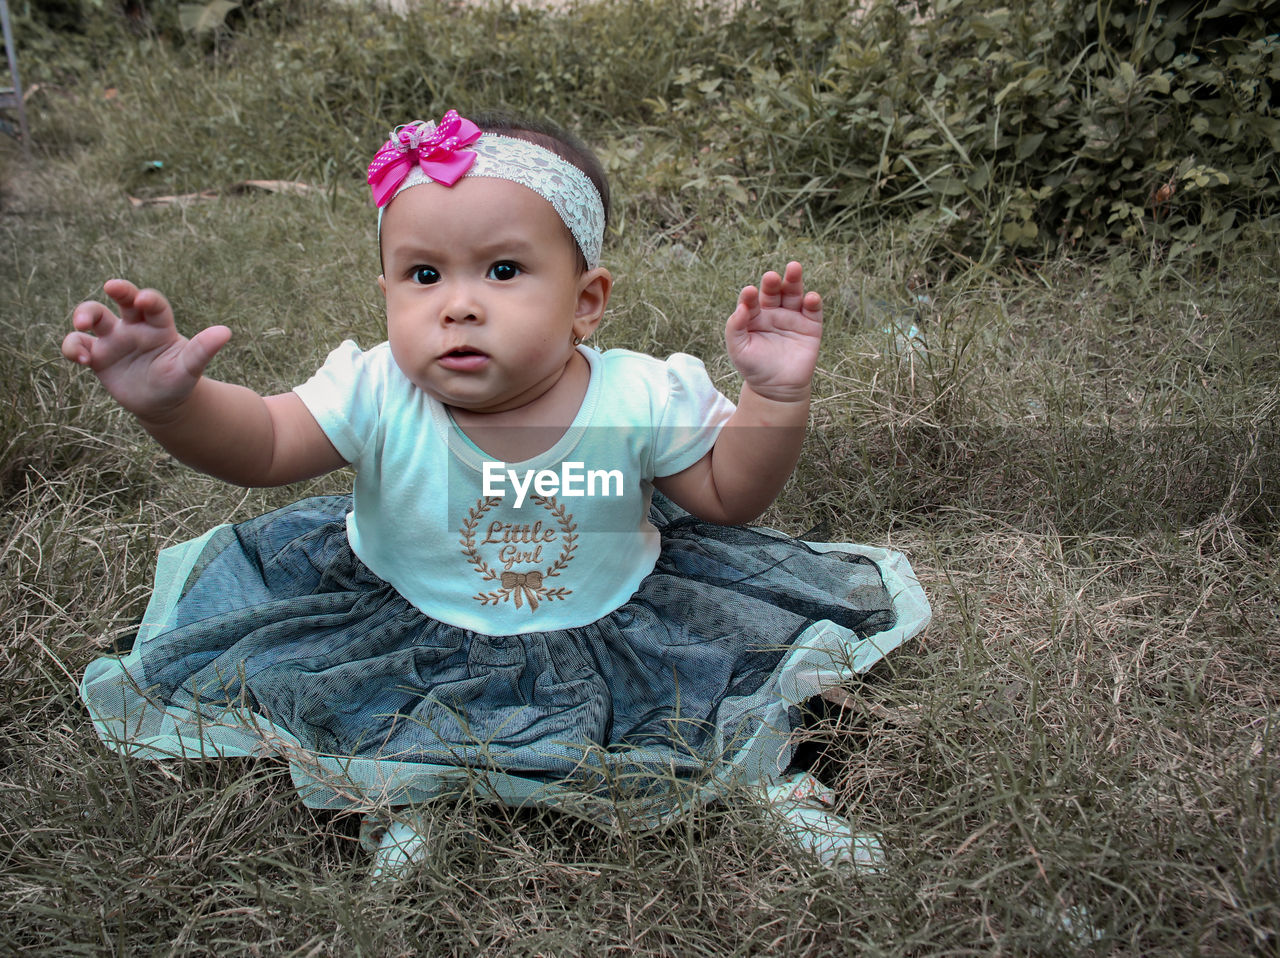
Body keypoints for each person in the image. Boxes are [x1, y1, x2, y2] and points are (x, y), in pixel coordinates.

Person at [63, 110, 928, 877]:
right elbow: (263, 444)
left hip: (610, 610)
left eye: (504, 270)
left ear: (586, 302)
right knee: (385, 697)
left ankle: (773, 776)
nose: (460, 306)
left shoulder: (635, 396)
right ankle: (408, 795)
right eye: (424, 276)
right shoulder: (375, 391)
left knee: (702, 697)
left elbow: (727, 496)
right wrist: (177, 407)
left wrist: (773, 400)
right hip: (412, 610)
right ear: (387, 293)